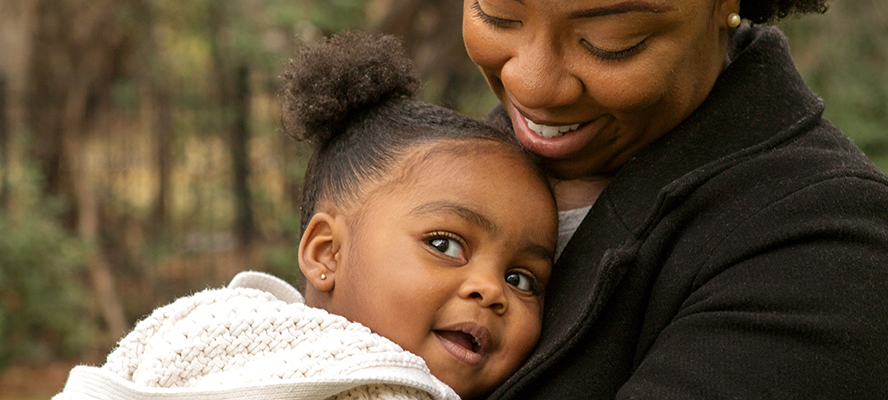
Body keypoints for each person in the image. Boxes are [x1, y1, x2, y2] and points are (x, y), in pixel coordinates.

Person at [461, 0, 888, 399]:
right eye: (498, 14)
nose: (531, 83)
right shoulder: (432, 164)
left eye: (612, 40)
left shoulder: (832, 242)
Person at [54, 31, 557, 400]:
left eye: (522, 279)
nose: (491, 291)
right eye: (445, 244)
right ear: (326, 252)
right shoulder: (246, 346)